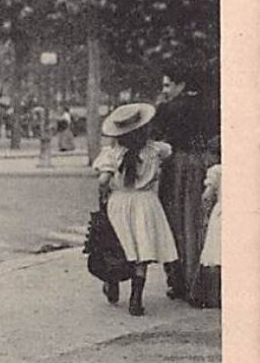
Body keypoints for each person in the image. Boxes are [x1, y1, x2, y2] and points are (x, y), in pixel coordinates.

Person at [93, 102, 178, 317]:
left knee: (119, 244)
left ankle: (112, 282)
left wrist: (105, 186)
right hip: (146, 203)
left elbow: (103, 180)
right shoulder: (156, 150)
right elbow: (169, 152)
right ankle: (136, 299)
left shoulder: (111, 154)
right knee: (142, 249)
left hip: (120, 203)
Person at [153, 65, 217, 304]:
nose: (166, 90)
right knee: (197, 223)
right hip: (202, 165)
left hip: (176, 167)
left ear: (181, 85)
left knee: (175, 222)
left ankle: (178, 281)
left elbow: (157, 138)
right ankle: (199, 283)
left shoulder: (167, 108)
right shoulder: (208, 106)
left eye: (168, 85)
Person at [194, 140, 222, 308]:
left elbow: (206, 196)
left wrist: (204, 212)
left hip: (222, 213)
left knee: (216, 254)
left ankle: (214, 296)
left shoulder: (217, 171)